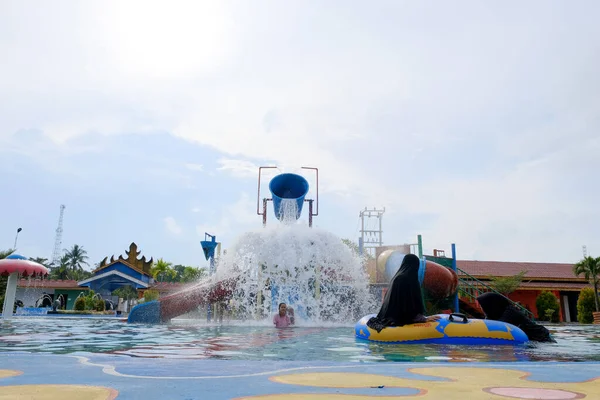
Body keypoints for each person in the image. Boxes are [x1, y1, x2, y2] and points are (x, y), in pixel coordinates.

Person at [367, 253, 439, 333]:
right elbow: (407, 306)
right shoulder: (410, 280)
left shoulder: (396, 277)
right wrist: (422, 319)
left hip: (388, 316)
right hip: (400, 319)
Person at [476, 292, 555, 343]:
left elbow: (499, 328)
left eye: (482, 306)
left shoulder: (511, 312)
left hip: (542, 338)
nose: (481, 308)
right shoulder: (493, 314)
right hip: (529, 339)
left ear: (491, 305)